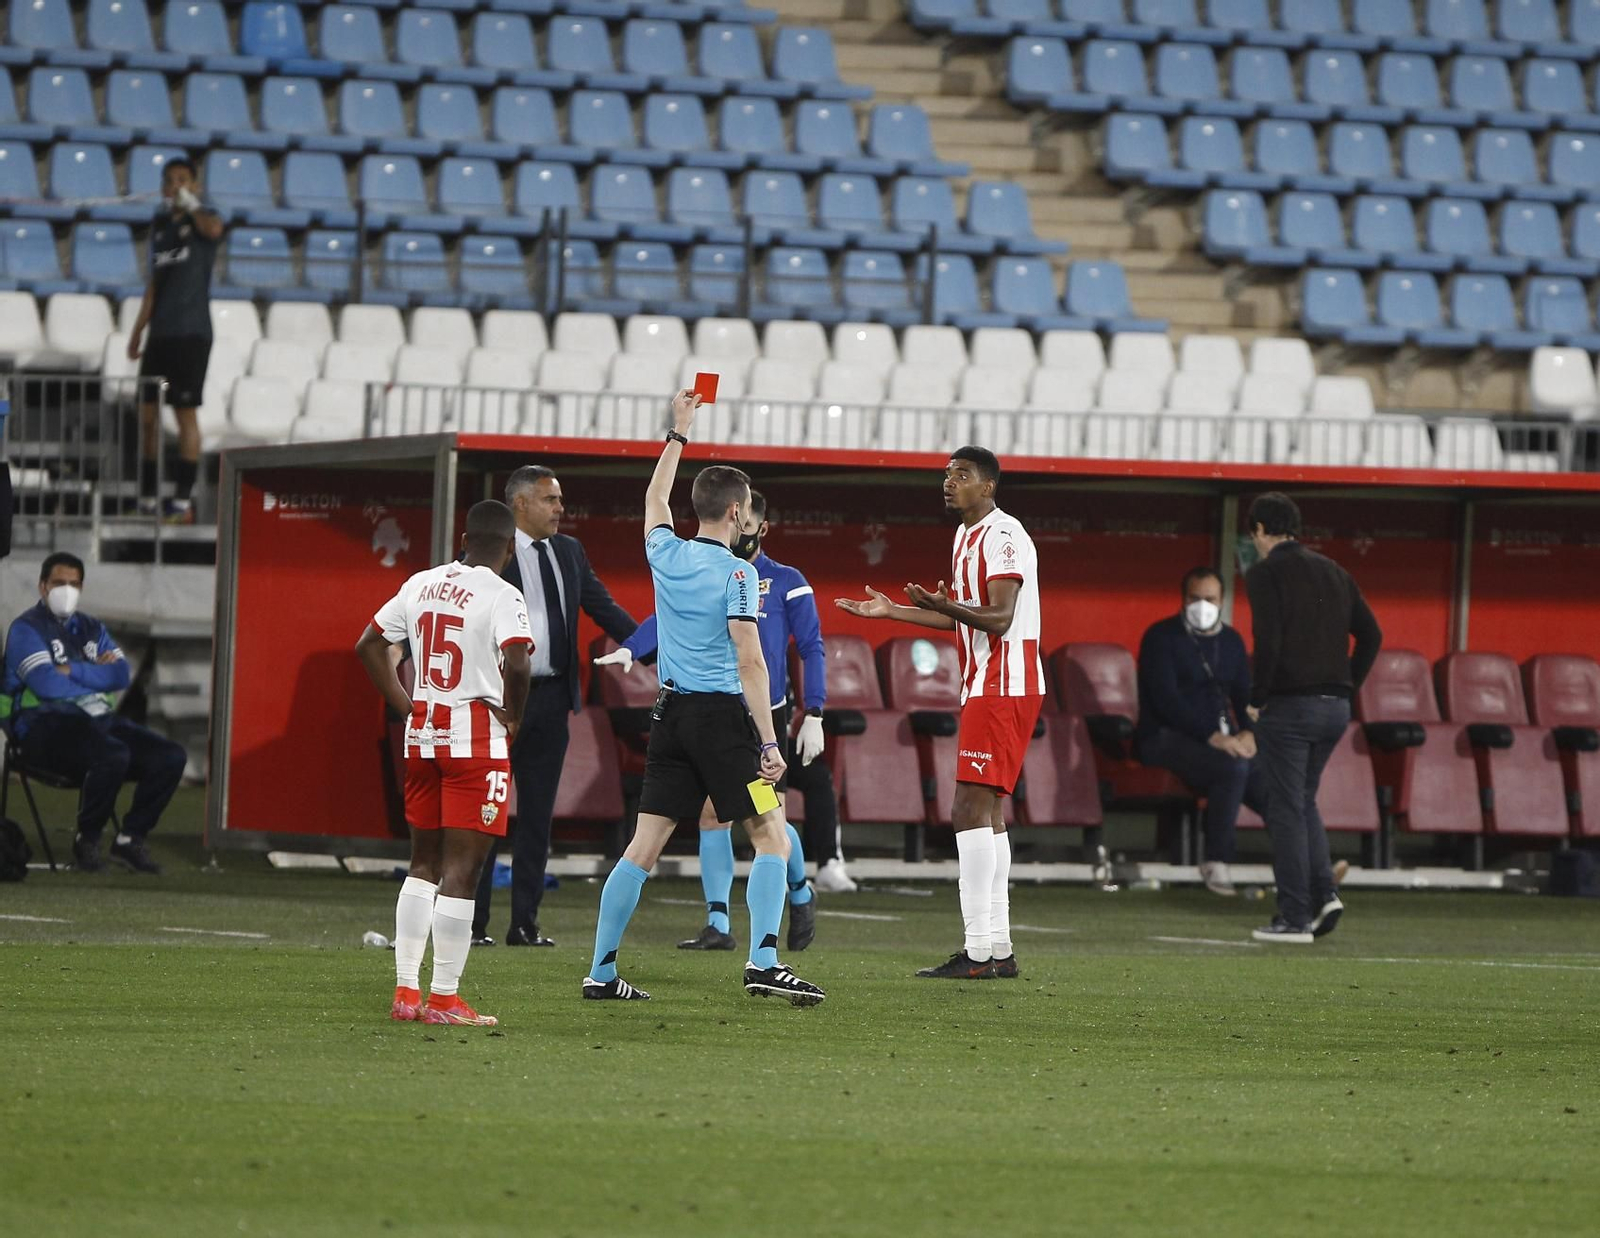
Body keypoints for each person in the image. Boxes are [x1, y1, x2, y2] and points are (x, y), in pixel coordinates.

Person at [582, 390, 825, 1005]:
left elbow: (654, 499)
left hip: (669, 718)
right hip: (723, 723)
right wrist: (768, 741)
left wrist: (679, 431)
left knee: (642, 847)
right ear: (739, 512)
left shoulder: (664, 552)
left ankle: (601, 973)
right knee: (771, 834)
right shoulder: (741, 574)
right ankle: (763, 963)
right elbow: (751, 659)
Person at [599, 489, 844, 954]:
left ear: (760, 527)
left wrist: (814, 710)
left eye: (750, 525)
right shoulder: (717, 570)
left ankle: (799, 890)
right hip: (724, 714)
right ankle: (720, 922)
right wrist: (632, 647)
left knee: (767, 817)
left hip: (764, 714)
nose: (742, 530)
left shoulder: (785, 580)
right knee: (716, 814)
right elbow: (666, 617)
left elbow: (810, 647)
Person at [836, 446, 1044, 980]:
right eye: (947, 474)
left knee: (967, 810)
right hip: (987, 685)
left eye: (962, 475)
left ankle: (977, 953)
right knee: (987, 813)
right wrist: (894, 612)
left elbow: (999, 617)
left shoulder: (1004, 535)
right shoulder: (963, 536)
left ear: (988, 486)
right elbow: (961, 620)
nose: (949, 482)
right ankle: (998, 949)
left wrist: (945, 604)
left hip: (1004, 684)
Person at [356, 500, 533, 1027]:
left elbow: (369, 644)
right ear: (509, 548)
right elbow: (519, 661)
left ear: (463, 540)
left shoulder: (421, 583)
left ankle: (405, 992)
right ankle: (444, 999)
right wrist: (515, 717)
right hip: (474, 740)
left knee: (423, 865)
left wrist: (403, 704)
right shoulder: (502, 593)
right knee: (463, 870)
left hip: (422, 735)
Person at [471, 464, 638, 949]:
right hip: (498, 700)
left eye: (560, 499)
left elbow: (603, 607)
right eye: (551, 499)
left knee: (538, 817)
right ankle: (473, 924)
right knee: (486, 811)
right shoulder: (491, 554)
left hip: (551, 700)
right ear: (520, 504)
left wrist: (652, 646)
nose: (560, 508)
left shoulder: (569, 551)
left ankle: (524, 924)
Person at [1243, 492, 1382, 945]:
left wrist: (1257, 698)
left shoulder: (1265, 573)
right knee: (1303, 801)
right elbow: (1372, 635)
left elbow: (1268, 640)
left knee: (1285, 808)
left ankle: (1294, 916)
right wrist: (1347, 685)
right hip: (1334, 707)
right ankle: (1324, 895)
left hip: (1290, 707)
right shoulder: (1335, 570)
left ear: (1259, 529)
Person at [0, 553, 185, 874]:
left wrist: (71, 669)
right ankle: (87, 839)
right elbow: (47, 685)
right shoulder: (26, 629)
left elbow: (120, 675)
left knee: (170, 756)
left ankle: (130, 838)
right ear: (43, 587)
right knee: (112, 753)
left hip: (96, 719)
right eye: (59, 583)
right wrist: (94, 673)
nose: (67, 590)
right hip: (40, 724)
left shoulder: (91, 627)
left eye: (74, 584)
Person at [1135, 566, 1268, 896]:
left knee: (1272, 779)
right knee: (1232, 767)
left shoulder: (1231, 641)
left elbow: (1244, 696)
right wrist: (1213, 736)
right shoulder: (1161, 637)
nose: (1202, 605)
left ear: (1222, 601)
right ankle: (1217, 860)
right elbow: (1166, 701)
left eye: (1210, 599)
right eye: (1195, 598)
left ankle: (1305, 864)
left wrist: (1249, 733)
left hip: (1218, 739)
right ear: (1183, 599)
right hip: (1163, 737)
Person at [127, 157, 224, 525]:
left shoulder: (204, 220)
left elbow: (213, 230)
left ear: (194, 185)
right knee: (147, 417)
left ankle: (182, 502)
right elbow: (154, 284)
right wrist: (138, 330)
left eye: (183, 180)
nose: (175, 186)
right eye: (170, 181)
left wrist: (192, 205)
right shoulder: (161, 227)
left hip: (191, 335)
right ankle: (147, 498)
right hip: (160, 336)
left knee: (185, 415)